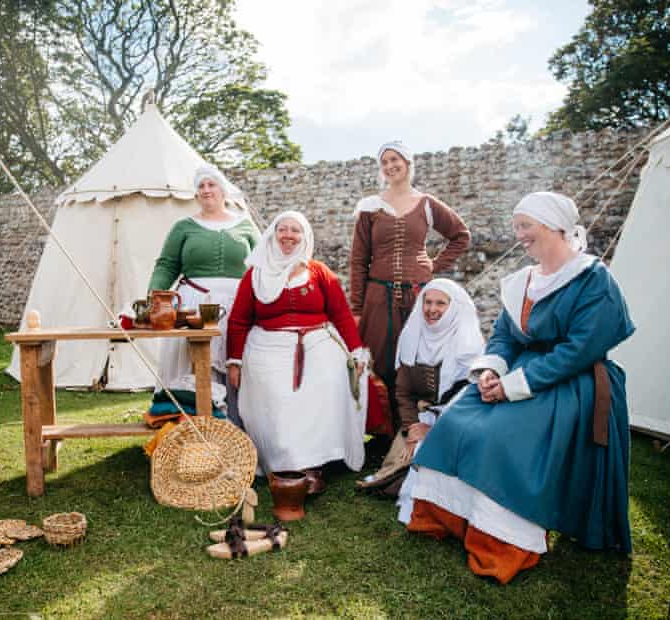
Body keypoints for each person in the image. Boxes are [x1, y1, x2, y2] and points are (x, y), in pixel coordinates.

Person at [406, 192, 636, 584]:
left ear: (551, 225)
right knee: (457, 422)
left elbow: (579, 350)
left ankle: (502, 544)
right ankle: (446, 519)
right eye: (517, 227)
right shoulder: (523, 282)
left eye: (524, 226)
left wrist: (515, 385)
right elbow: (504, 338)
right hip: (515, 374)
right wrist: (491, 372)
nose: (519, 235)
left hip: (570, 381)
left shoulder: (594, 279)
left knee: (501, 438)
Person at [226, 211, 369, 480]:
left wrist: (356, 350)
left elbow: (340, 314)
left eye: (296, 230)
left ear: (305, 237)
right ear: (273, 234)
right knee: (277, 397)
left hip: (317, 343)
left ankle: (317, 462)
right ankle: (285, 462)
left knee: (326, 382)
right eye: (283, 229)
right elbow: (238, 320)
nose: (289, 236)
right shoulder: (255, 275)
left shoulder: (318, 271)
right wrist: (234, 361)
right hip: (268, 346)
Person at [349, 140, 470, 430]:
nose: (391, 166)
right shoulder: (370, 207)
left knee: (418, 358)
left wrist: (434, 266)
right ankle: (383, 431)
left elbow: (460, 235)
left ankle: (418, 425)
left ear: (407, 163)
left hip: (417, 293)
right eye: (385, 161)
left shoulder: (426, 203)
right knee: (379, 359)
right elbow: (358, 259)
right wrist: (357, 306)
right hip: (379, 294)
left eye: (396, 160)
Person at [148, 164, 259, 425]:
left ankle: (237, 427)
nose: (207, 190)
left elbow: (262, 265)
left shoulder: (245, 225)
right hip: (194, 304)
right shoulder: (183, 227)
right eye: (201, 186)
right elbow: (166, 265)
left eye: (212, 185)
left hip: (237, 306)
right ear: (196, 194)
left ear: (223, 190)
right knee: (195, 364)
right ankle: (189, 428)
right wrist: (155, 298)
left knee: (236, 365)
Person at [357, 279, 483, 499]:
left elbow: (471, 398)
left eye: (441, 304)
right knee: (393, 480)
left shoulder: (469, 345)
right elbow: (403, 393)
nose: (432, 310)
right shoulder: (412, 337)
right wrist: (412, 427)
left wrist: (436, 428)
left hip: (456, 421)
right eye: (428, 302)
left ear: (453, 307)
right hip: (420, 417)